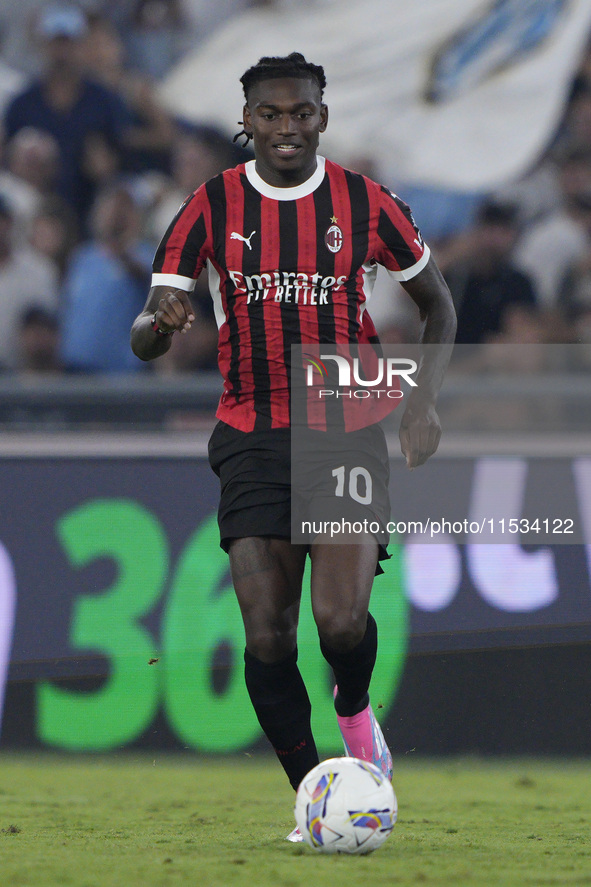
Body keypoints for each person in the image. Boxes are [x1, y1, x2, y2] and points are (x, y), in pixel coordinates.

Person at [130, 53, 456, 839]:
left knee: (339, 624)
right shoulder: (207, 207)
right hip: (248, 430)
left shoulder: (364, 201)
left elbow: (437, 307)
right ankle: (316, 793)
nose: (286, 127)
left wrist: (422, 401)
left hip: (339, 413)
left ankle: (353, 718)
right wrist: (159, 327)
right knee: (268, 632)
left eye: (300, 112)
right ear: (247, 122)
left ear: (321, 117)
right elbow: (144, 334)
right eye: (270, 115)